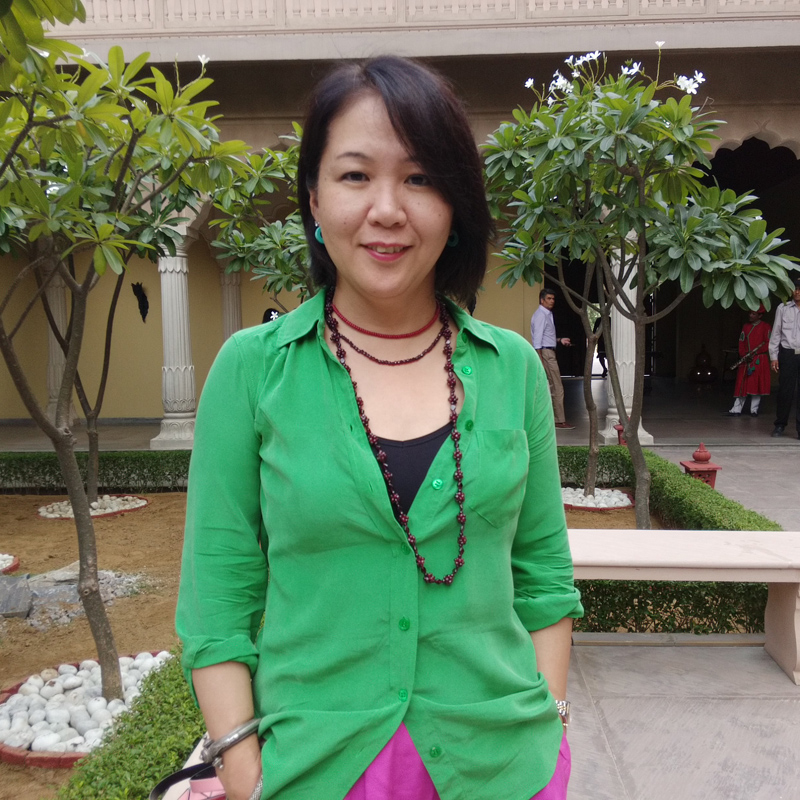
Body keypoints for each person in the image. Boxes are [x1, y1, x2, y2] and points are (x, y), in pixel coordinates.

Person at [176, 56, 583, 800]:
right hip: (314, 769)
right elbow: (216, 602)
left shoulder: (513, 370)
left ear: (454, 205)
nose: (387, 209)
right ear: (313, 198)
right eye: (356, 175)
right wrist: (242, 767)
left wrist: (550, 727)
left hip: (499, 768)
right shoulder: (252, 372)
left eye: (420, 178)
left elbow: (544, 577)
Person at [531, 288, 574, 429]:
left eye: (553, 299)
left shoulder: (547, 314)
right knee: (557, 387)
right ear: (542, 300)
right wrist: (540, 359)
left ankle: (552, 419)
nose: (552, 301)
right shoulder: (541, 315)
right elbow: (537, 340)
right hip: (546, 354)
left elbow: (545, 337)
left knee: (552, 387)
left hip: (548, 352)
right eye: (549, 298)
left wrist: (560, 340)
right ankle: (559, 420)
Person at [769, 276, 800, 438]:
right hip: (787, 354)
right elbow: (776, 333)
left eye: (799, 289)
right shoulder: (783, 308)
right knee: (784, 391)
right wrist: (773, 356)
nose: (797, 292)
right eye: (795, 289)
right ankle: (780, 425)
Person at [727, 305, 771, 416]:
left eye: (753, 314)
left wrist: (755, 352)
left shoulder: (766, 327)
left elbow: (768, 343)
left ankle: (754, 410)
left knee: (756, 385)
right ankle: (736, 409)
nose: (750, 315)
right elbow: (741, 341)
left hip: (759, 359)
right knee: (742, 384)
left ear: (760, 316)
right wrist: (743, 354)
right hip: (746, 359)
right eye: (750, 313)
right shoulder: (746, 327)